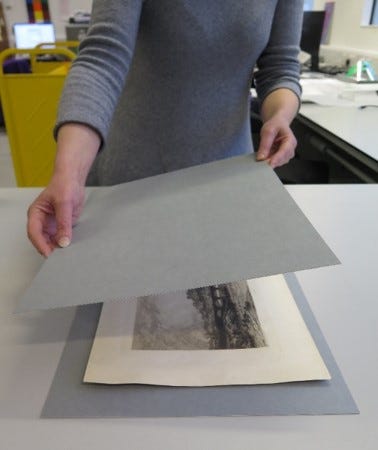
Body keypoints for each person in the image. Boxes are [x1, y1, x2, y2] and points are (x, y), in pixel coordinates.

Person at [27, 0, 303, 257]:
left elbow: (280, 67)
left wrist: (279, 116)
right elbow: (102, 57)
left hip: (226, 176)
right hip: (133, 180)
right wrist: (69, 174)